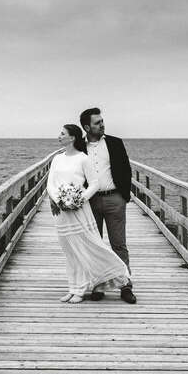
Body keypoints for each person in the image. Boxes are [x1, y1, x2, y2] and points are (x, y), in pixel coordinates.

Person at [47, 124, 130, 304]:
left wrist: (77, 200)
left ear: (72, 138)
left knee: (84, 247)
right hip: (61, 211)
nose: (59, 136)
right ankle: (73, 287)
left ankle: (110, 278)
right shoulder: (57, 159)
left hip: (78, 209)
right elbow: (50, 184)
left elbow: (94, 184)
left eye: (62, 134)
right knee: (69, 251)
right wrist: (60, 201)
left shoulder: (83, 159)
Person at [80, 107, 137, 304]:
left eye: (102, 121)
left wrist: (124, 196)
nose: (102, 124)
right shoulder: (79, 146)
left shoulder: (115, 143)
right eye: (97, 123)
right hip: (90, 201)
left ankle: (125, 285)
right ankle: (98, 285)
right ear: (87, 127)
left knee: (119, 244)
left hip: (114, 199)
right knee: (95, 245)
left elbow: (126, 168)